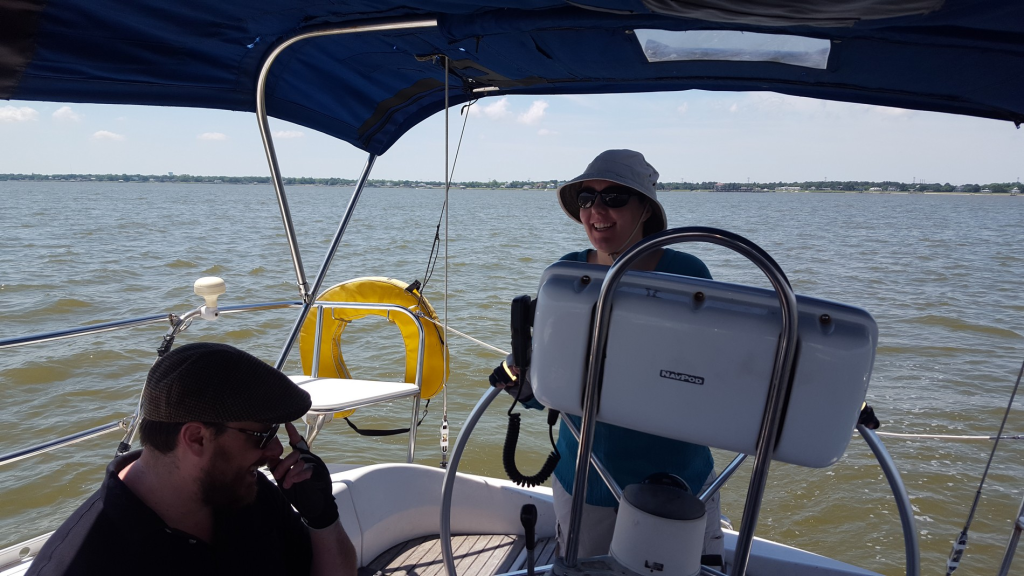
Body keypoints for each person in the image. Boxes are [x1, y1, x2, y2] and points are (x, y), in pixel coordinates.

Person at [491, 149, 723, 561]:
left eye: (614, 197)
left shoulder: (689, 275)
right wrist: (524, 381)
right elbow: (552, 380)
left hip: (679, 479)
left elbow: (715, 374)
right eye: (586, 198)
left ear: (645, 209)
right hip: (586, 480)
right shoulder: (564, 275)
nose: (597, 210)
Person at [27, 342, 357, 576]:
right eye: (263, 434)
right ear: (196, 438)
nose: (275, 451)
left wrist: (322, 517)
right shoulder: (85, 562)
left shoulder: (249, 495)